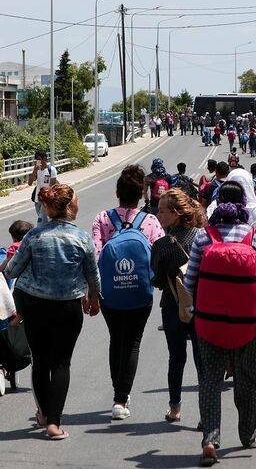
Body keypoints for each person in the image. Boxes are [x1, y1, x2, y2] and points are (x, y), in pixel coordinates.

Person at [185, 181, 256, 466]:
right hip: (249, 323)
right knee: (248, 379)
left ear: (217, 204)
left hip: (209, 323)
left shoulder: (204, 237)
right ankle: (249, 435)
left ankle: (210, 439)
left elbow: (189, 282)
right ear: (244, 204)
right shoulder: (255, 237)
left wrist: (193, 313)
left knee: (209, 380)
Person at [3, 183, 101, 440]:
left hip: (35, 306)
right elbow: (93, 275)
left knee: (40, 361)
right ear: (68, 207)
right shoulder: (82, 238)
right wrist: (94, 299)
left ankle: (44, 414)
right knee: (61, 363)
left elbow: (11, 270)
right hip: (68, 307)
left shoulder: (33, 237)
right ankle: (54, 424)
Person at [91, 165, 165, 420]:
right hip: (140, 292)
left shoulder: (102, 219)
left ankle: (118, 392)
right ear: (143, 193)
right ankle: (121, 399)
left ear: (117, 192)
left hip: (110, 293)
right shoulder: (151, 221)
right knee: (133, 342)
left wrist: (92, 292)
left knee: (116, 339)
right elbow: (160, 258)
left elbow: (95, 257)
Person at [150, 189, 204, 424]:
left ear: (176, 213)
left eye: (162, 211)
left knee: (176, 358)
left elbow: (157, 280)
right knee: (203, 360)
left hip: (173, 305)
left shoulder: (162, 245)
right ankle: (206, 414)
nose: (157, 214)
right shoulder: (203, 237)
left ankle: (175, 408)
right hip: (202, 306)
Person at [28, 150, 59, 224]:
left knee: (41, 222)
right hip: (37, 199)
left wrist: (47, 201)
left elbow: (52, 186)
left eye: (39, 159)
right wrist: (34, 170)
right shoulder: (37, 170)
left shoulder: (51, 170)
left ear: (44, 159)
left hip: (46, 200)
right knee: (41, 219)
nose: (38, 161)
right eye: (37, 160)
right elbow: (29, 183)